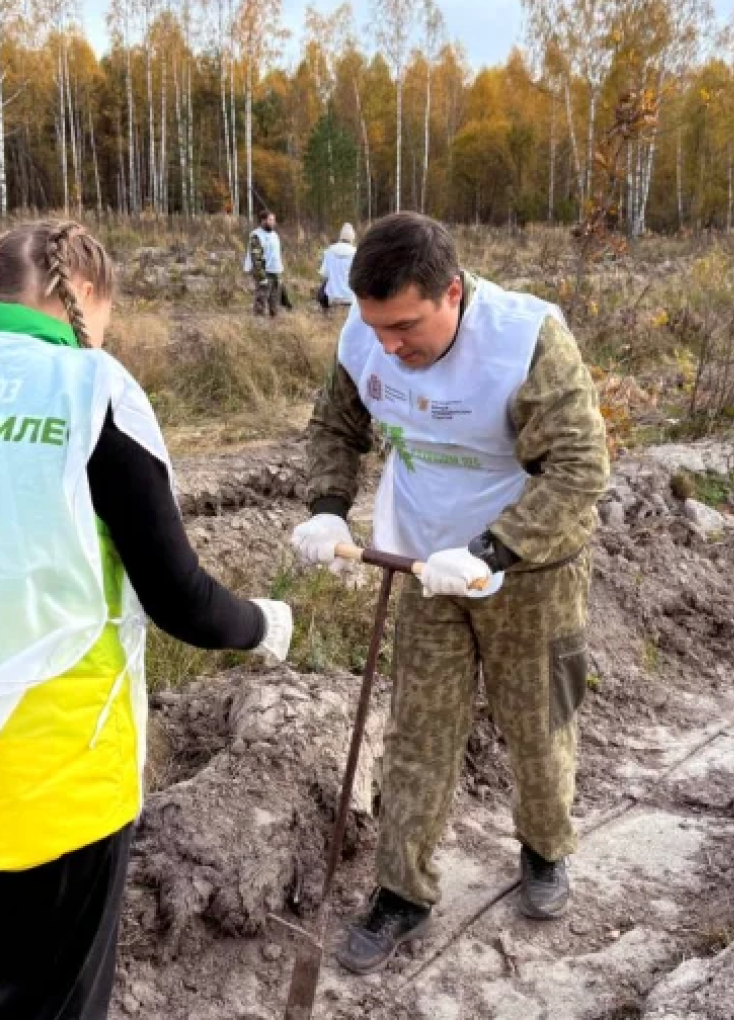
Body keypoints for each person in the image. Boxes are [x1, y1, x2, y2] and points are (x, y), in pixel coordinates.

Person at [0, 219, 295, 1020]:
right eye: (107, 310)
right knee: (50, 1004)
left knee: (19, 978)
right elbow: (178, 596)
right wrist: (264, 625)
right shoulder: (88, 388)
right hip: (50, 775)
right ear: (82, 291)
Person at [290, 212, 609, 975]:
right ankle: (402, 892)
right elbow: (334, 427)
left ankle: (545, 848)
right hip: (423, 565)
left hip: (531, 568)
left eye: (406, 327)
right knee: (418, 733)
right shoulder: (365, 336)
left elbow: (579, 470)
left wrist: (489, 552)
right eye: (376, 327)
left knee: (538, 721)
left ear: (453, 293)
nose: (389, 347)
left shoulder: (525, 341)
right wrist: (327, 506)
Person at [243, 210, 287, 317]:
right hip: (264, 271)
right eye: (270, 220)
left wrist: (279, 270)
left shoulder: (274, 235)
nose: (273, 222)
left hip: (275, 271)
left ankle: (274, 321)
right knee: (261, 299)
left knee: (275, 301)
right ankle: (259, 322)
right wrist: (261, 276)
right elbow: (256, 257)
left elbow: (276, 254)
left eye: (274, 220)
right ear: (263, 221)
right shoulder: (256, 235)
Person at [317, 222, 357, 312]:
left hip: (332, 297)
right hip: (351, 297)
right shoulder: (356, 253)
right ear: (352, 237)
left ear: (340, 236)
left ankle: (325, 311)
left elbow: (324, 274)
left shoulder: (329, 251)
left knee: (322, 288)